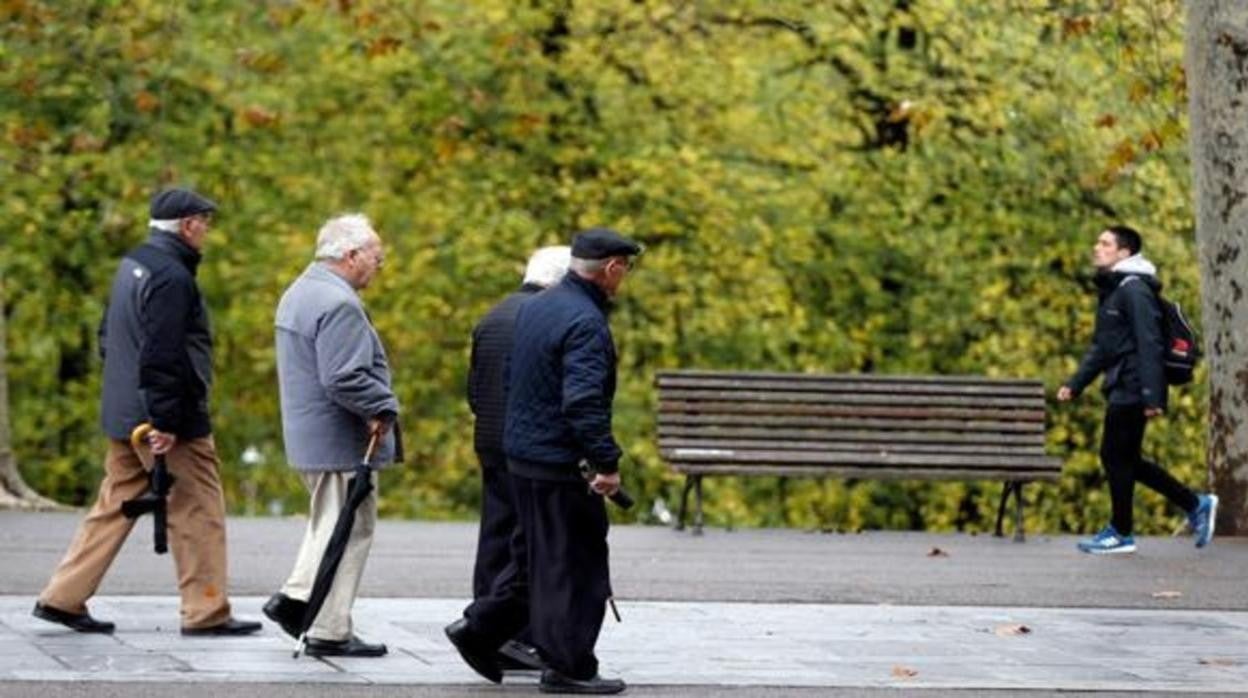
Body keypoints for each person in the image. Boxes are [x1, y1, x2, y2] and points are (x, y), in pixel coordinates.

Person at [33, 187, 261, 636]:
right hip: (164, 421)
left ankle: (63, 597)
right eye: (205, 223)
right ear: (188, 225)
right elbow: (163, 354)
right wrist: (166, 420)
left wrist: (132, 402)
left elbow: (107, 337)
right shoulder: (173, 278)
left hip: (125, 412)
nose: (208, 232)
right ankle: (206, 611)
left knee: (115, 504)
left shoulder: (132, 263)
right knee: (198, 508)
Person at [445, 228, 639, 696]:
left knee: (535, 561)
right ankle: (569, 666)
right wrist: (606, 463)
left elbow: (510, 382)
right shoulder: (586, 322)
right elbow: (583, 403)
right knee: (576, 567)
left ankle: (480, 629)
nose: (625, 279)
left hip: (522, 459)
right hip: (559, 463)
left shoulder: (534, 309)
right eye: (625, 269)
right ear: (611, 268)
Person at [262, 213, 399, 658]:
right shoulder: (338, 303)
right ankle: (323, 623)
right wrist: (382, 405)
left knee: (330, 524)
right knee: (348, 528)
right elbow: (343, 377)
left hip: (312, 437)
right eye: (376, 257)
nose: (380, 266)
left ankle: (305, 605)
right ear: (351, 255)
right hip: (338, 440)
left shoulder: (301, 291)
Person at [1058, 225, 1218, 554]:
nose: (1096, 247)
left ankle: (1122, 531)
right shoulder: (1115, 290)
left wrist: (1152, 396)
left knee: (1115, 456)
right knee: (1126, 458)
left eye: (1104, 243)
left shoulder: (1134, 290)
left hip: (1134, 385)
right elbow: (1103, 348)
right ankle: (1194, 504)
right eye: (1097, 241)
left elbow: (1150, 343)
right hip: (1123, 382)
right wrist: (1075, 385)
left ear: (1124, 252)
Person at [462, 245, 571, 673]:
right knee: (529, 543)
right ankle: (509, 634)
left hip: (489, 440)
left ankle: (485, 624)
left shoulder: (493, 315)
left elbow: (474, 388)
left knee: (494, 537)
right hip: (527, 449)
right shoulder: (544, 320)